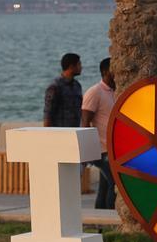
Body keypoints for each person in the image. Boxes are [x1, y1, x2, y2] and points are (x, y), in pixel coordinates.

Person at [81, 58, 117, 209]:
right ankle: (110, 216)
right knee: (114, 183)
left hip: (112, 149)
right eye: (114, 68)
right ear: (105, 72)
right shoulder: (95, 92)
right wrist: (89, 150)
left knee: (104, 186)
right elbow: (85, 121)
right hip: (101, 150)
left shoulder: (115, 91)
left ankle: (99, 223)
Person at [43, 53, 83, 127]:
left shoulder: (77, 85)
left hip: (74, 132)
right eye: (79, 64)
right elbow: (48, 113)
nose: (81, 67)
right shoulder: (55, 87)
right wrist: (47, 134)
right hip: (59, 133)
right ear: (71, 67)